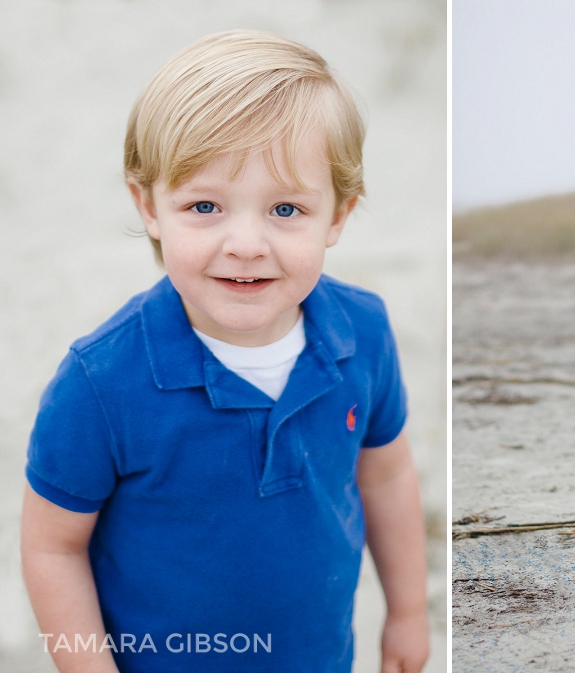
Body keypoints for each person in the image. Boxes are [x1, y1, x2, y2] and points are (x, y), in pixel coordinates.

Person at [20, 30, 429, 672]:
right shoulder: (101, 381)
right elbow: (52, 549)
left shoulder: (363, 333)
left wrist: (407, 614)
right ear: (148, 205)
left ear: (339, 216)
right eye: (204, 205)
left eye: (286, 208)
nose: (245, 243)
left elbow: (386, 474)